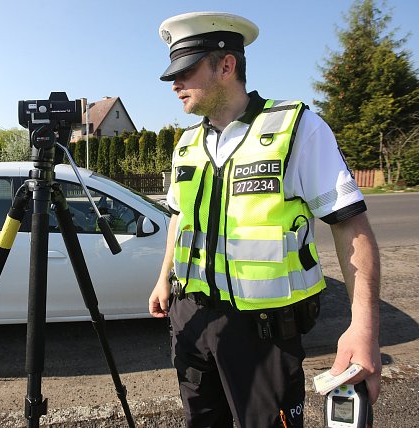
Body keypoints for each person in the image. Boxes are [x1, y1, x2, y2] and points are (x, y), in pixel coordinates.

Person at [148, 12, 381, 428]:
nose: (174, 84)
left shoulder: (297, 128)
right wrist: (164, 277)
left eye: (185, 71)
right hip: (191, 320)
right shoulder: (186, 144)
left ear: (226, 65)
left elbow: (350, 227)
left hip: (263, 333)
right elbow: (180, 217)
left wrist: (363, 327)